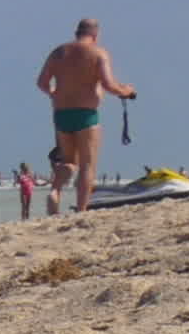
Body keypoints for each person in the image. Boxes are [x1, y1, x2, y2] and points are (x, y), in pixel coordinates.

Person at [36, 23, 137, 211]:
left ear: (76, 33)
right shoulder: (98, 53)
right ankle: (82, 210)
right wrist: (127, 91)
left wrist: (53, 93)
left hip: (61, 113)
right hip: (86, 115)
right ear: (95, 35)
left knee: (68, 161)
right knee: (87, 165)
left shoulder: (59, 52)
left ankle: (55, 190)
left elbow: (41, 82)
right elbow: (109, 85)